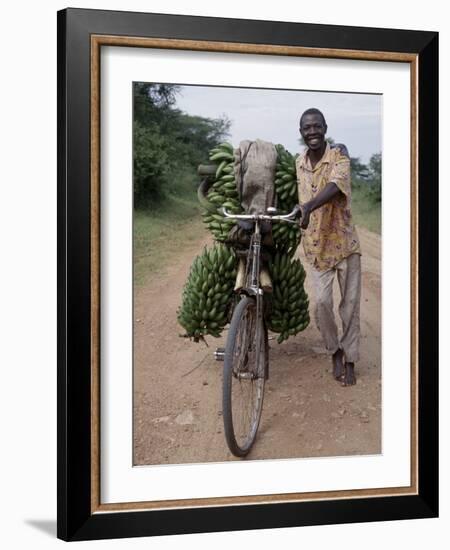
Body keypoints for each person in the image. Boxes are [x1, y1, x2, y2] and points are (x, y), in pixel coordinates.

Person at [294, 108, 361, 386]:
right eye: (307, 128)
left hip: (345, 244)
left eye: (316, 126)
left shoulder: (339, 156)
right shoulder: (298, 164)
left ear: (325, 127)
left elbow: (335, 186)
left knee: (350, 306)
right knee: (322, 303)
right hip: (317, 246)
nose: (312, 132)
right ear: (301, 132)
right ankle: (334, 349)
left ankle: (351, 359)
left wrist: (309, 206)